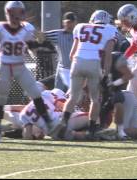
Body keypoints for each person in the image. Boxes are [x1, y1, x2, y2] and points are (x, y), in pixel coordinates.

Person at [0, 1, 54, 143]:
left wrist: (39, 46)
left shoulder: (26, 29)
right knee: (1, 100)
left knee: (36, 95)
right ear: (9, 13)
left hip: (20, 67)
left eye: (20, 12)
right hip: (5, 67)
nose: (18, 16)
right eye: (16, 12)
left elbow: (33, 49)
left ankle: (50, 124)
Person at [56, 10, 117, 138]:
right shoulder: (109, 29)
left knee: (72, 97)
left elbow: (72, 54)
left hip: (77, 61)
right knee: (95, 99)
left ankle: (62, 125)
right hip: (94, 63)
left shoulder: (80, 27)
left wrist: (80, 72)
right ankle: (91, 129)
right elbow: (107, 55)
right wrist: (105, 73)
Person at [44, 12, 77, 91]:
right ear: (63, 23)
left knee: (75, 95)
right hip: (62, 69)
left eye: (72, 22)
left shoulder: (80, 34)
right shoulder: (57, 34)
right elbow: (41, 35)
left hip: (76, 70)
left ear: (75, 23)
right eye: (68, 22)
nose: (70, 24)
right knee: (58, 92)